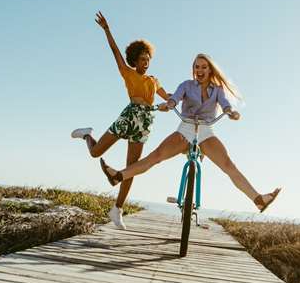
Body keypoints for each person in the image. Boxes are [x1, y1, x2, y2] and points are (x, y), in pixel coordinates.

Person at [99, 53, 281, 213]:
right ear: (193, 69)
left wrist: (230, 112)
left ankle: (258, 200)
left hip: (206, 131)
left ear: (210, 70)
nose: (199, 70)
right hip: (185, 129)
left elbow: (225, 104)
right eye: (196, 67)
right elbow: (175, 98)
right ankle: (118, 176)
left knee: (228, 165)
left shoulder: (217, 89)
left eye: (204, 67)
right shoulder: (186, 85)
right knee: (156, 156)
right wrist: (169, 104)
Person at [71, 12, 171, 228]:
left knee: (132, 168)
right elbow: (114, 51)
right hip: (129, 116)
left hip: (145, 122)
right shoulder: (127, 73)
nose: (145, 62)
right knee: (95, 152)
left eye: (148, 59)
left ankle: (117, 209)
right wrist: (107, 30)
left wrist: (172, 102)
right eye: (142, 59)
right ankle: (87, 134)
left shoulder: (154, 80)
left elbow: (169, 97)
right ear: (134, 60)